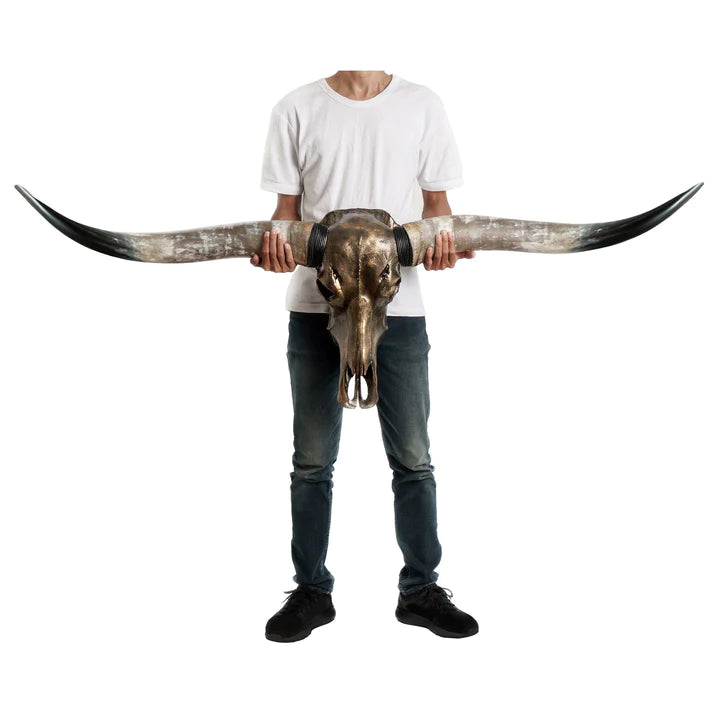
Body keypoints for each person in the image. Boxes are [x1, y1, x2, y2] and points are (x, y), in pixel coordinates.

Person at [253, 70, 478, 642]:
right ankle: (311, 591)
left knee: (414, 459)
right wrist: (276, 247)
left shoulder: (422, 104)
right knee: (311, 460)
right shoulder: (295, 106)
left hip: (398, 311)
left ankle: (420, 590)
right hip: (316, 308)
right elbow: (286, 211)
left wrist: (444, 244)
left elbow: (438, 209)